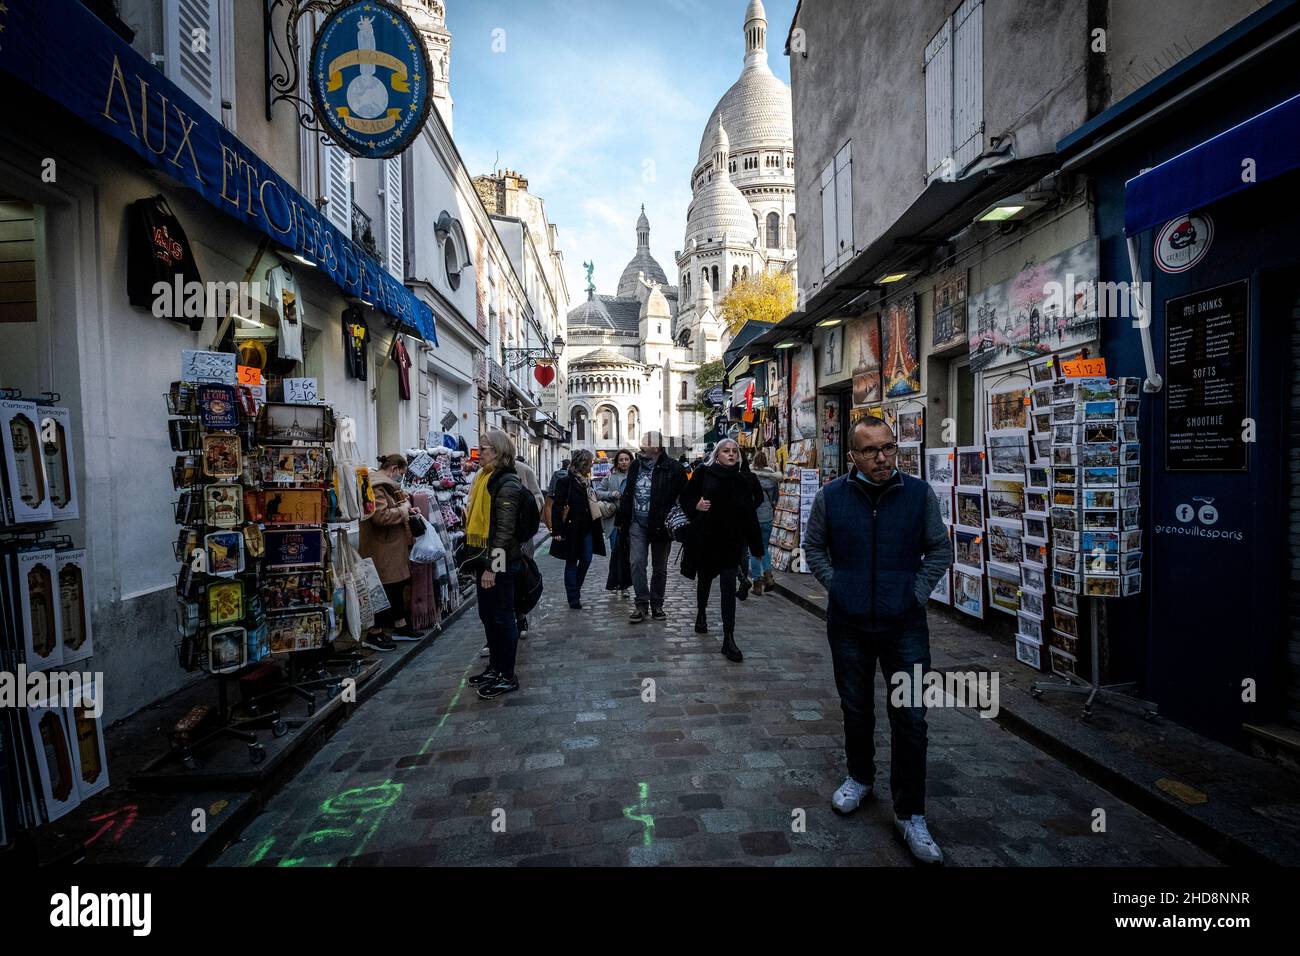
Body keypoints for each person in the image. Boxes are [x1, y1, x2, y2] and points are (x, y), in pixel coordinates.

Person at [803, 417, 953, 864]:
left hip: (904, 626)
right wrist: (840, 587)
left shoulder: (917, 494)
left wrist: (915, 592)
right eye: (871, 451)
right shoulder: (832, 497)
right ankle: (860, 776)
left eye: (889, 448)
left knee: (911, 717)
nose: (883, 457)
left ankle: (910, 812)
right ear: (854, 456)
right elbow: (814, 549)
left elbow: (939, 549)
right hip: (848, 625)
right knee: (856, 706)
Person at [679, 439, 763, 662]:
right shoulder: (703, 474)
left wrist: (757, 547)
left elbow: (749, 515)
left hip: (731, 543)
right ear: (717, 455)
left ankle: (729, 638)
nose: (731, 454)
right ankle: (701, 613)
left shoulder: (741, 480)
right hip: (707, 540)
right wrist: (695, 506)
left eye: (735, 451)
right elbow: (685, 496)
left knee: (728, 590)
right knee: (705, 581)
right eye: (726, 451)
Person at [464, 430, 528, 700]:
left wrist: (493, 567)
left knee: (503, 617)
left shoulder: (507, 482)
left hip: (499, 560)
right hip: (484, 557)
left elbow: (504, 530)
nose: (479, 454)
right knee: (488, 615)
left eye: (485, 449)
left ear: (499, 452)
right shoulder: (484, 478)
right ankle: (494, 668)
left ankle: (507, 675)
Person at [615, 431, 687, 623]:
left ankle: (657, 604)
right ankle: (641, 604)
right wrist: (622, 521)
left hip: (661, 526)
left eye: (646, 441)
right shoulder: (636, 465)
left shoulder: (674, 468)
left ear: (657, 447)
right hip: (637, 524)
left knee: (659, 568)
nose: (641, 444)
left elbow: (686, 496)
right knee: (637, 563)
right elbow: (628, 493)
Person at [357, 454, 413, 651]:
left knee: (395, 586)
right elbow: (380, 516)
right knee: (383, 589)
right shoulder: (376, 486)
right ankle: (374, 633)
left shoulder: (383, 485)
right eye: (401, 474)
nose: (401, 478)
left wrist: (405, 509)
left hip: (389, 545)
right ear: (394, 469)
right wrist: (404, 510)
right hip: (382, 546)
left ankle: (399, 626)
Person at [544, 449, 606, 609]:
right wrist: (556, 530)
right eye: (590, 462)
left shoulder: (587, 481)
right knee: (571, 562)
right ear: (583, 463)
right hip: (571, 528)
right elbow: (557, 507)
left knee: (586, 559)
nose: (592, 464)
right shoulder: (565, 482)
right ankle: (573, 596)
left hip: (588, 527)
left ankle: (575, 588)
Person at [513, 455, 544, 638]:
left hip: (521, 539)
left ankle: (520, 615)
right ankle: (500, 631)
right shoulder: (482, 474)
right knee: (499, 585)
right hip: (493, 541)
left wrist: (528, 513)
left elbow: (538, 496)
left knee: (520, 579)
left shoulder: (523, 470)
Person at [599, 449, 634, 596]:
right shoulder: (610, 476)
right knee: (616, 551)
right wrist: (611, 494)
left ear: (631, 461)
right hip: (614, 520)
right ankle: (619, 584)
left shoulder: (636, 476)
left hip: (632, 521)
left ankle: (621, 584)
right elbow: (597, 492)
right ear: (617, 462)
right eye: (621, 460)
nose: (624, 462)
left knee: (628, 553)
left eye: (627, 459)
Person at [748, 450, 781, 595]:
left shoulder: (750, 475)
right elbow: (776, 496)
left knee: (754, 551)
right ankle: (768, 577)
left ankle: (757, 584)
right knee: (764, 547)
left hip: (753, 516)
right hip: (767, 516)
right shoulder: (772, 475)